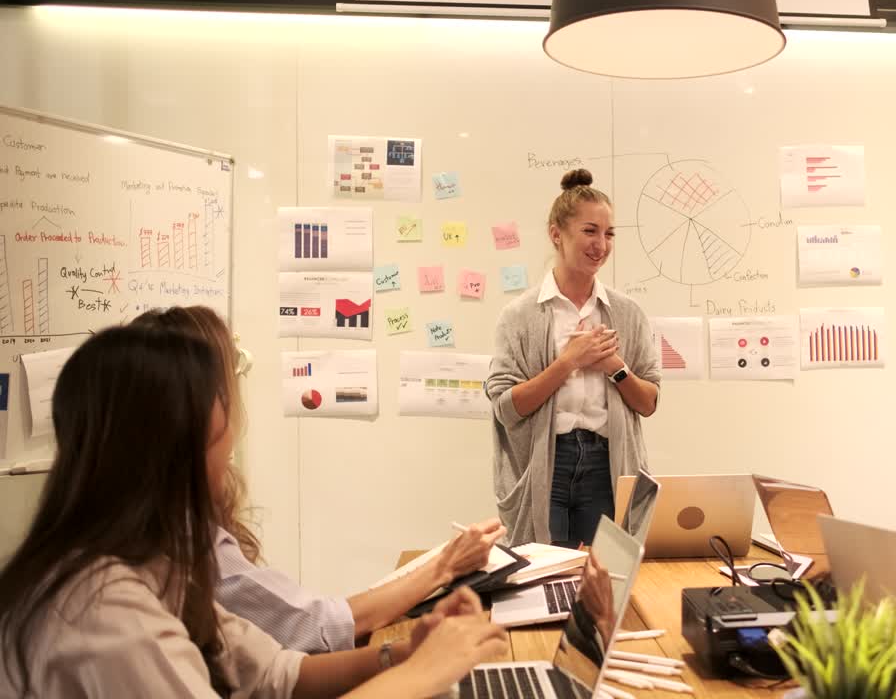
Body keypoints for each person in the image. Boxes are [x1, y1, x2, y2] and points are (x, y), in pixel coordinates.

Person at [0, 325, 506, 697]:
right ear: (172, 455)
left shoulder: (157, 559)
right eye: (219, 443)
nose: (229, 465)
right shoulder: (102, 611)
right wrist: (421, 674)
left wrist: (401, 654)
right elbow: (314, 631)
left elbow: (274, 674)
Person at [131, 306, 507, 653]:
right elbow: (316, 627)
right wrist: (444, 567)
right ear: (199, 415)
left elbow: (285, 663)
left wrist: (401, 651)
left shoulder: (156, 523)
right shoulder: (190, 543)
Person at [487, 168, 661, 547]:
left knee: (603, 571)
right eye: (589, 231)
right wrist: (568, 362)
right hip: (545, 462)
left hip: (607, 463)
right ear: (556, 234)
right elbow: (506, 408)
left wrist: (615, 367)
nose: (601, 244)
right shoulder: (519, 316)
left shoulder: (627, 313)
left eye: (609, 234)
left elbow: (649, 402)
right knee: (541, 570)